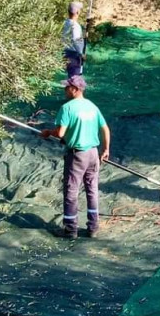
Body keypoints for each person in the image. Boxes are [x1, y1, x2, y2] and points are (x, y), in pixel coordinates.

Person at [40, 75, 111, 239]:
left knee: (71, 191)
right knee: (92, 190)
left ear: (75, 89)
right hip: (93, 153)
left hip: (77, 155)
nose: (65, 90)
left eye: (67, 87)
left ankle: (71, 229)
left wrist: (47, 132)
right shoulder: (92, 107)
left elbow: (60, 133)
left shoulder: (67, 108)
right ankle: (93, 227)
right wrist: (105, 149)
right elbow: (105, 129)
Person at [62, 1, 85, 77]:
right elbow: (76, 40)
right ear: (77, 12)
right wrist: (81, 54)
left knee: (70, 77)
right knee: (74, 78)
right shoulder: (75, 25)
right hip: (73, 55)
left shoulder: (65, 23)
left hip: (65, 52)